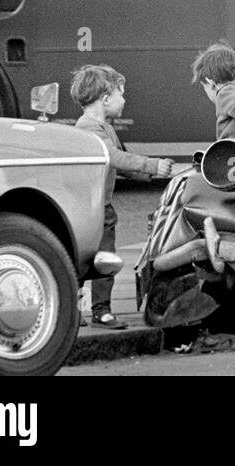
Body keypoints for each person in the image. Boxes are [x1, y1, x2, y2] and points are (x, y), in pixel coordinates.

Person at [70, 64, 173, 329]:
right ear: (105, 99)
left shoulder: (104, 128)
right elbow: (113, 157)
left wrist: (150, 175)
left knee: (104, 259)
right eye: (121, 94)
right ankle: (80, 310)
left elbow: (119, 166)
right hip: (91, 209)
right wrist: (151, 165)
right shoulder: (88, 129)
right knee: (89, 259)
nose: (124, 99)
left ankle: (98, 309)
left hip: (100, 208)